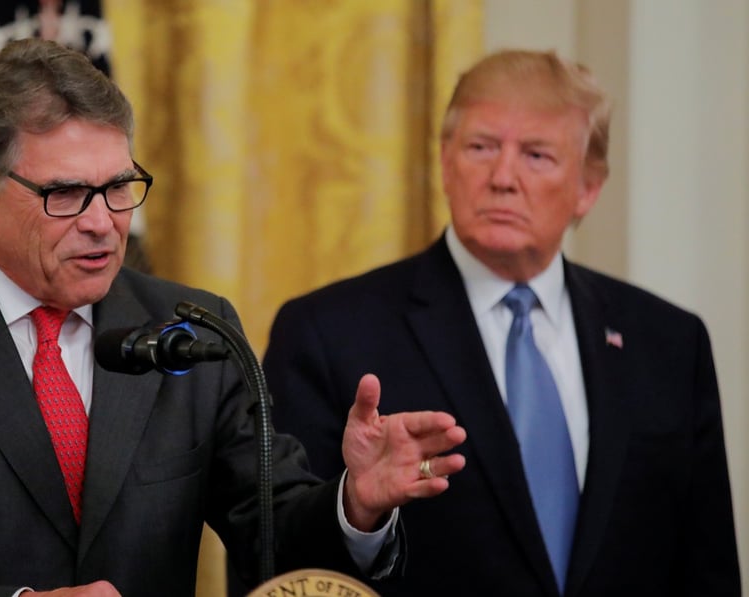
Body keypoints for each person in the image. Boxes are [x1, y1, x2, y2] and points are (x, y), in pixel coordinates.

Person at [0, 39, 467, 597]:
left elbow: (271, 535)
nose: (106, 223)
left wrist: (357, 503)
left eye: (119, 187)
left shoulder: (195, 330)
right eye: (69, 193)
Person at [263, 49, 740, 597]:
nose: (503, 177)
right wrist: (357, 511)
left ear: (588, 187)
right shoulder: (328, 332)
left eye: (536, 155)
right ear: (445, 162)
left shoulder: (670, 343)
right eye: (481, 147)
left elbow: (708, 568)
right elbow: (278, 565)